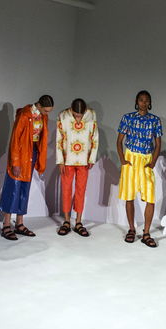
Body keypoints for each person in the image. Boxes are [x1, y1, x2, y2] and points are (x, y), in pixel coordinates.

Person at [0, 95, 54, 240]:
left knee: (25, 188)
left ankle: (20, 223)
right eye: (46, 111)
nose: (47, 114)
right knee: (13, 188)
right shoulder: (24, 115)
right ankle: (6, 224)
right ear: (40, 106)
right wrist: (15, 162)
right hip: (21, 154)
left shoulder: (42, 117)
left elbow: (40, 138)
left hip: (31, 153)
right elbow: (15, 139)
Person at [116, 90, 163, 247]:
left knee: (150, 197)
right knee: (129, 195)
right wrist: (123, 159)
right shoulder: (128, 118)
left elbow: (158, 144)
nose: (144, 102)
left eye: (147, 100)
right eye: (141, 100)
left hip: (146, 159)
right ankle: (131, 229)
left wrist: (153, 161)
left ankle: (146, 233)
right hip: (130, 158)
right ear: (137, 101)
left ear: (150, 102)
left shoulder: (155, 120)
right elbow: (119, 141)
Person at [56, 98, 98, 237]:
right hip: (67, 160)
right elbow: (59, 139)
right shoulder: (63, 116)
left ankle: (79, 221)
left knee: (81, 189)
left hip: (84, 160)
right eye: (75, 114)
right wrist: (60, 160)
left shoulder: (91, 115)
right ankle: (67, 221)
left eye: (80, 115)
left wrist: (92, 157)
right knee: (66, 189)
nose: (78, 118)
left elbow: (95, 138)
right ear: (71, 110)